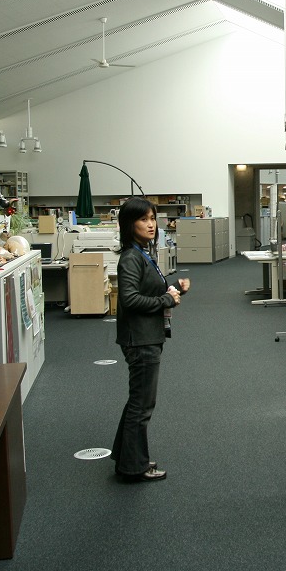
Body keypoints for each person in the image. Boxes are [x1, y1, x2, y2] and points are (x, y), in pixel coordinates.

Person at [111, 197, 190, 483]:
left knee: (138, 401)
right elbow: (130, 299)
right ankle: (134, 467)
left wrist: (174, 289)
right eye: (143, 219)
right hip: (140, 340)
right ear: (129, 224)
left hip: (146, 336)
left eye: (153, 218)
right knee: (142, 405)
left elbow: (147, 289)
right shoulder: (131, 257)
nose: (151, 224)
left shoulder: (141, 253)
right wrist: (166, 299)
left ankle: (126, 456)